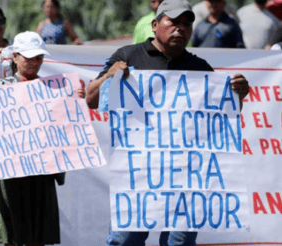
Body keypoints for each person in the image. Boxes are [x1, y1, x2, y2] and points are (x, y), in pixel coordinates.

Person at [85, 0, 250, 245]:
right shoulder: (128, 56)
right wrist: (110, 76)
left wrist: (239, 95)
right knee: (124, 241)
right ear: (154, 24)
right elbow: (91, 99)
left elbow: (223, 116)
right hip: (138, 177)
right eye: (173, 21)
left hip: (185, 179)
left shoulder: (200, 69)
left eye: (187, 23)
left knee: (179, 243)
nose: (180, 28)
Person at [0, 31, 85, 246]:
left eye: (38, 58)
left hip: (41, 174)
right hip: (10, 174)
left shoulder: (54, 90)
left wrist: (73, 105)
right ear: (15, 57)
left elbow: (63, 130)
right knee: (11, 236)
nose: (34, 63)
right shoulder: (0, 88)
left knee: (38, 235)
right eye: (28, 57)